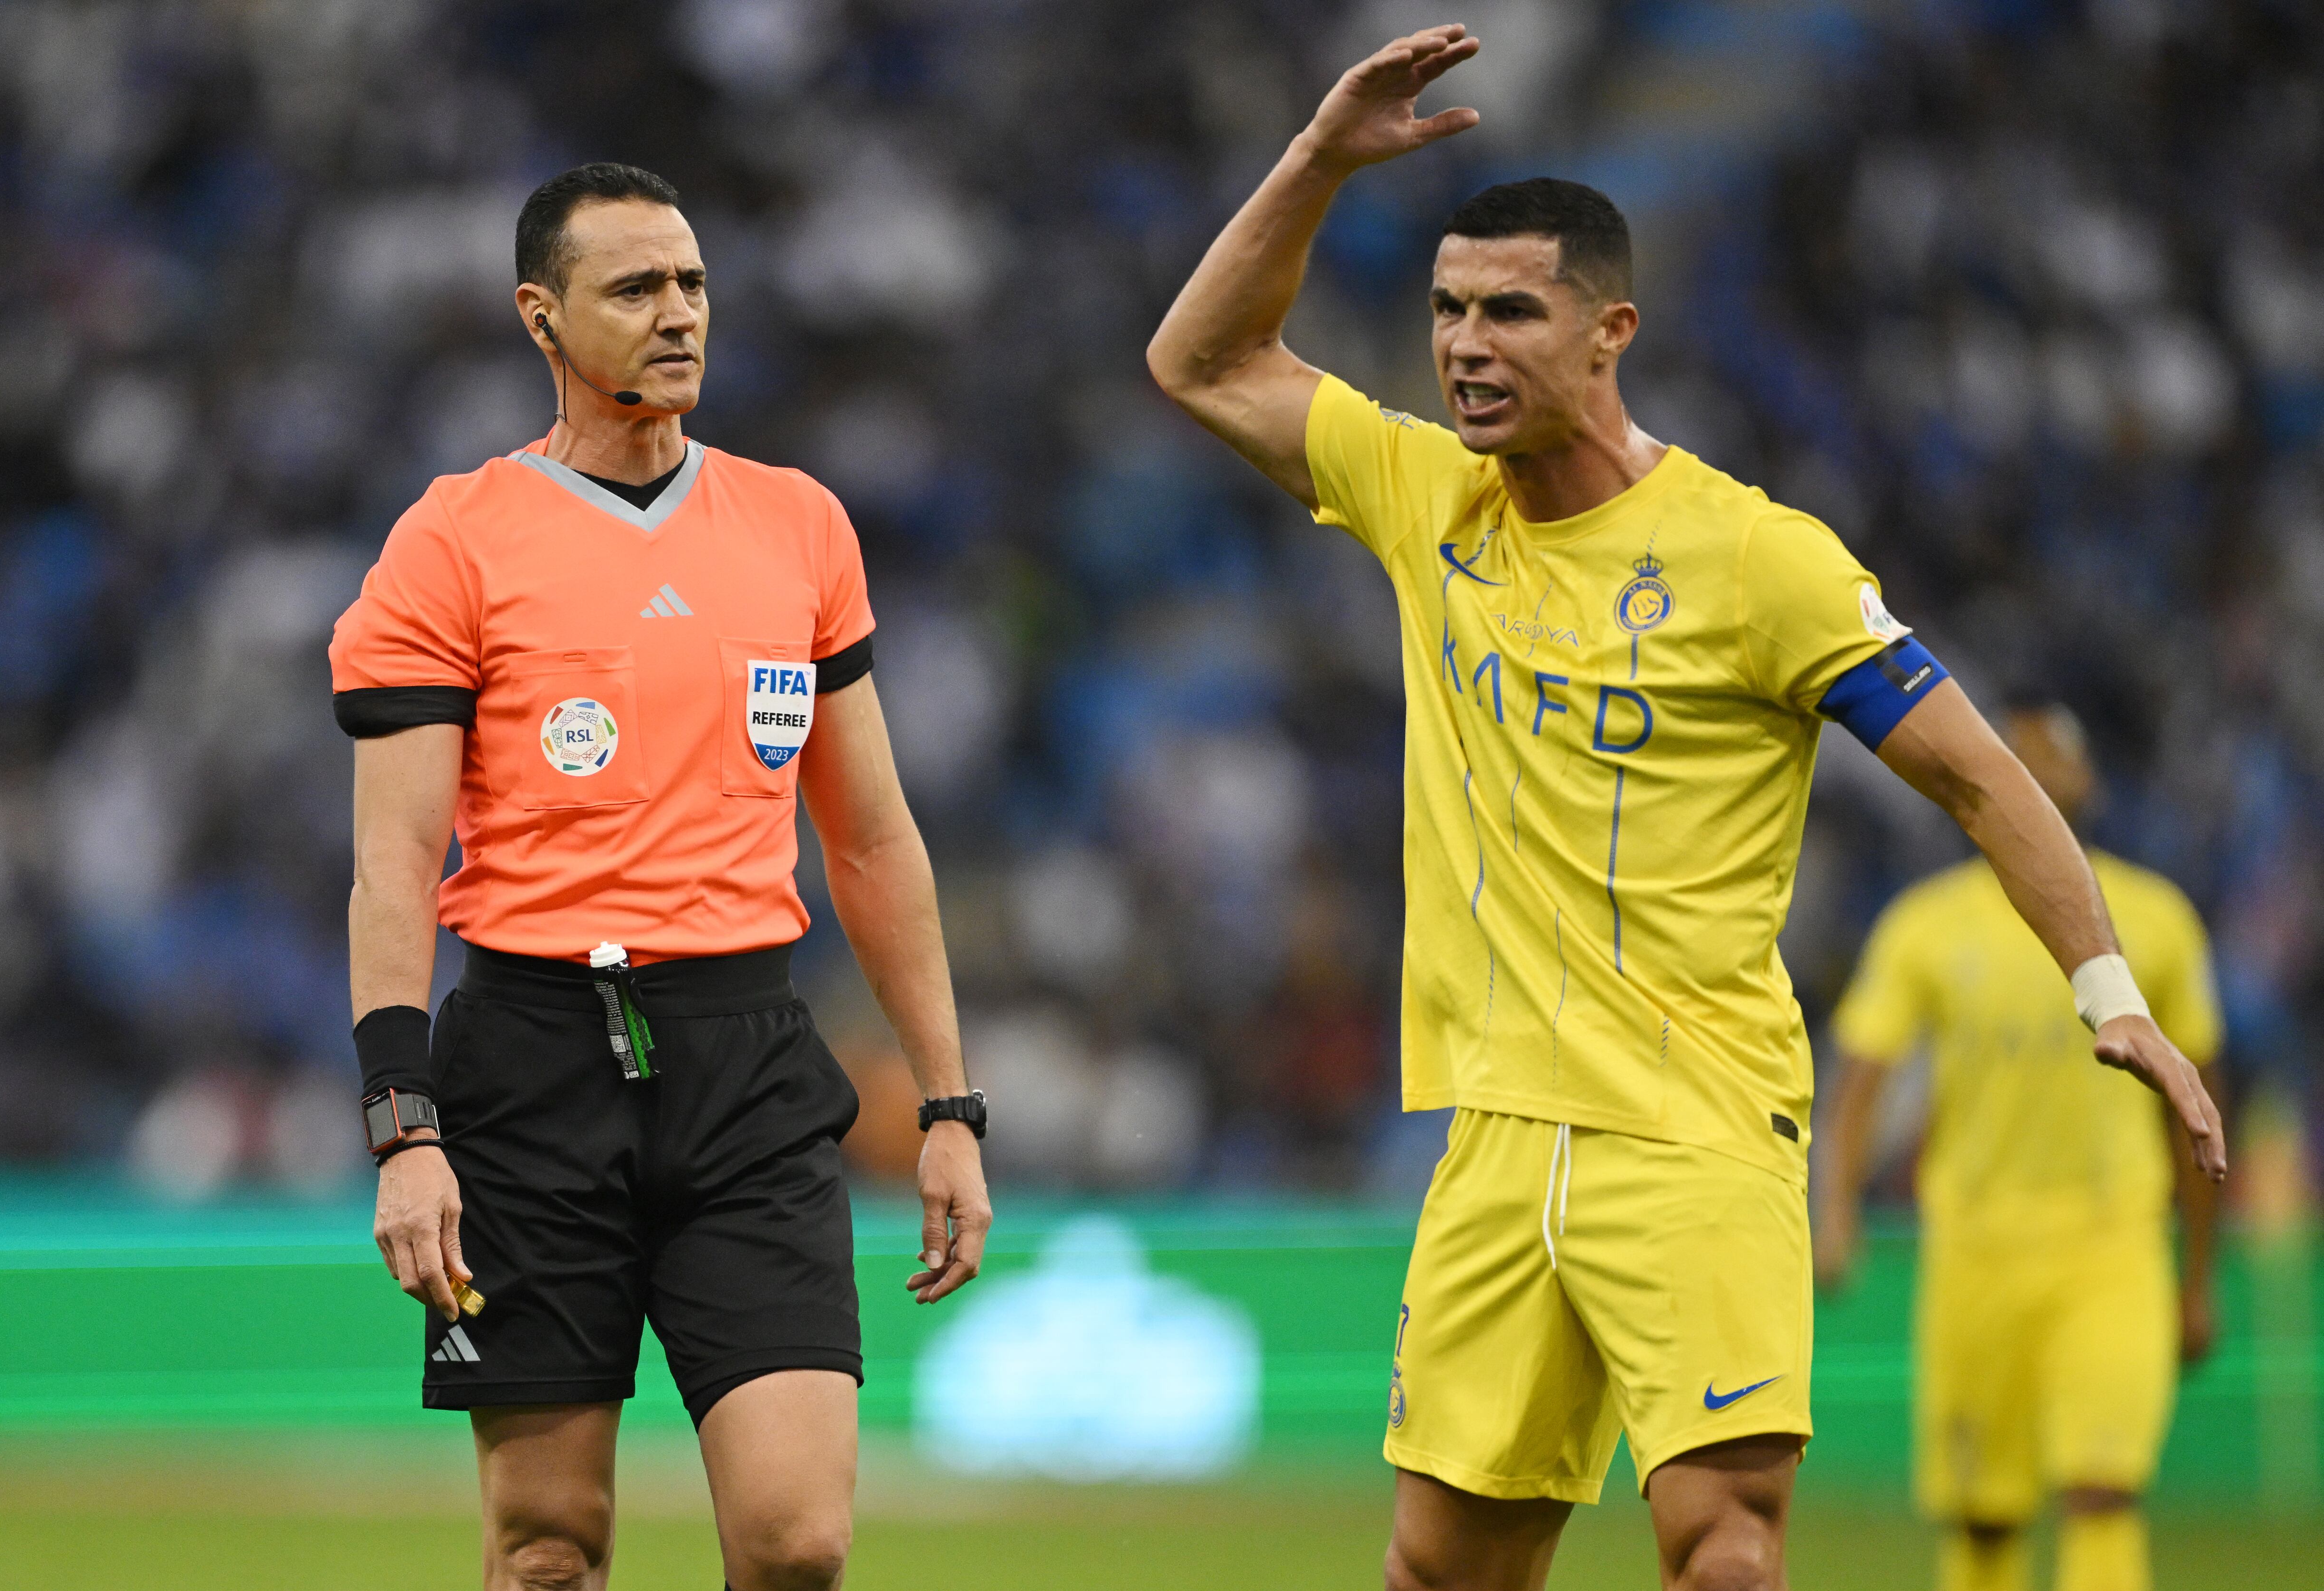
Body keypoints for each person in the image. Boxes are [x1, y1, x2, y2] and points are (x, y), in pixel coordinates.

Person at [1145, 27, 2224, 1591]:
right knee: (1441, 1567)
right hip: (1498, 1132)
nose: (1464, 343)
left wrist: (2108, 990)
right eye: (1446, 309)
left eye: (1511, 309)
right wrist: (1316, 158)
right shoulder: (1418, 493)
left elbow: (1979, 772)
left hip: (1696, 1124)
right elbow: (1199, 360)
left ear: (1611, 333)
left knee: (1722, 1549)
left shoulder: (1756, 558)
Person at [330, 161, 992, 1591]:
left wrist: (948, 1101)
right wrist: (406, 1131)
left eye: (691, 282)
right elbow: (393, 862)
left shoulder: (800, 524)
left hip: (746, 1065)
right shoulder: (452, 541)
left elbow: (872, 840)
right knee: (549, 1547)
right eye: (635, 287)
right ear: (543, 318)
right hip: (528, 1069)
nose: (679, 312)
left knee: (799, 1539)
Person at [1820, 703, 2222, 1591]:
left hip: (2113, 1245)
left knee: (2103, 1489)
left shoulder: (2155, 921)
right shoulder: (1925, 926)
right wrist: (1836, 1208)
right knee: (1984, 1512)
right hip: (1976, 1249)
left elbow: (2201, 1105)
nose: (2040, 762)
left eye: (2060, 751)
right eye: (2018, 747)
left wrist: (2197, 1279)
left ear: (2090, 782)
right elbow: (1859, 1081)